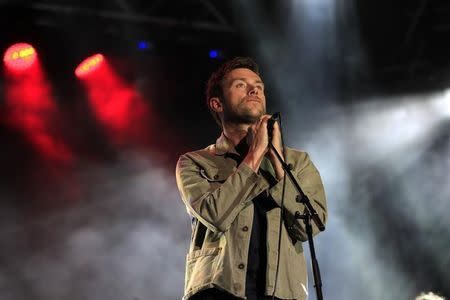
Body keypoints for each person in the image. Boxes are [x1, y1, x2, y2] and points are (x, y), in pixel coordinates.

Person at [175, 57, 327, 300]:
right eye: (240, 85)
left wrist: (277, 162)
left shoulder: (298, 162)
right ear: (217, 103)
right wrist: (255, 154)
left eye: (259, 85)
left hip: (282, 294)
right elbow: (215, 215)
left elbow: (312, 224)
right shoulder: (195, 162)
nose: (254, 89)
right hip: (218, 291)